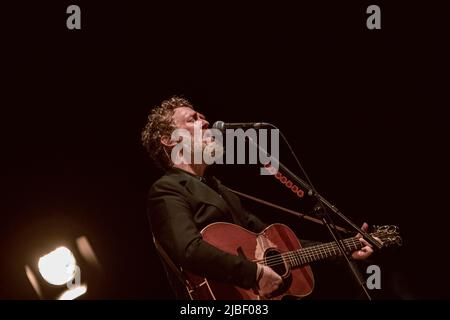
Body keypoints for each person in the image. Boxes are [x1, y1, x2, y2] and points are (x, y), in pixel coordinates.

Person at [141, 96, 375, 299]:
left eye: (202, 118)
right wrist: (253, 274)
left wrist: (344, 248)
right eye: (192, 119)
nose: (205, 122)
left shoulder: (221, 190)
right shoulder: (167, 189)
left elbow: (279, 244)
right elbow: (189, 250)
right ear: (168, 139)